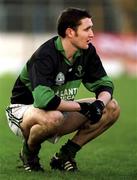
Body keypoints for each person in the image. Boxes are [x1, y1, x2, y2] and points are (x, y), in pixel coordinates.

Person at [6, 7, 120, 172]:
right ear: (70, 32)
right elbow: (43, 100)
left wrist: (99, 104)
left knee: (111, 107)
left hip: (59, 109)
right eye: (87, 29)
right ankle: (29, 153)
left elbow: (105, 84)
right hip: (23, 111)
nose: (92, 34)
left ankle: (65, 156)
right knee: (53, 117)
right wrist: (83, 107)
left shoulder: (87, 52)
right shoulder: (46, 54)